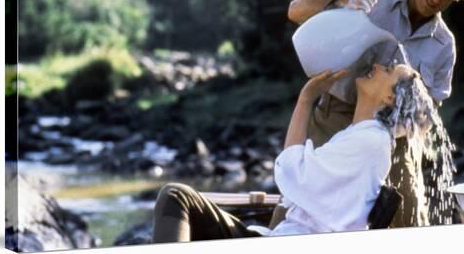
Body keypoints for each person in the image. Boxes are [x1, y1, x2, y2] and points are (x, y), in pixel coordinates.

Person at [286, 0, 464, 227]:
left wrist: (388, 132)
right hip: (334, 117)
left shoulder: (443, 45)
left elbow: (426, 117)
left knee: (411, 222)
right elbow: (296, 10)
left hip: (392, 139)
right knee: (298, 208)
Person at [152, 63, 436, 242]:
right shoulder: (361, 137)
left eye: (388, 71)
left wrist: (306, 98)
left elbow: (292, 172)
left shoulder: (371, 142)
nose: (377, 65)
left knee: (176, 197)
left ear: (389, 98)